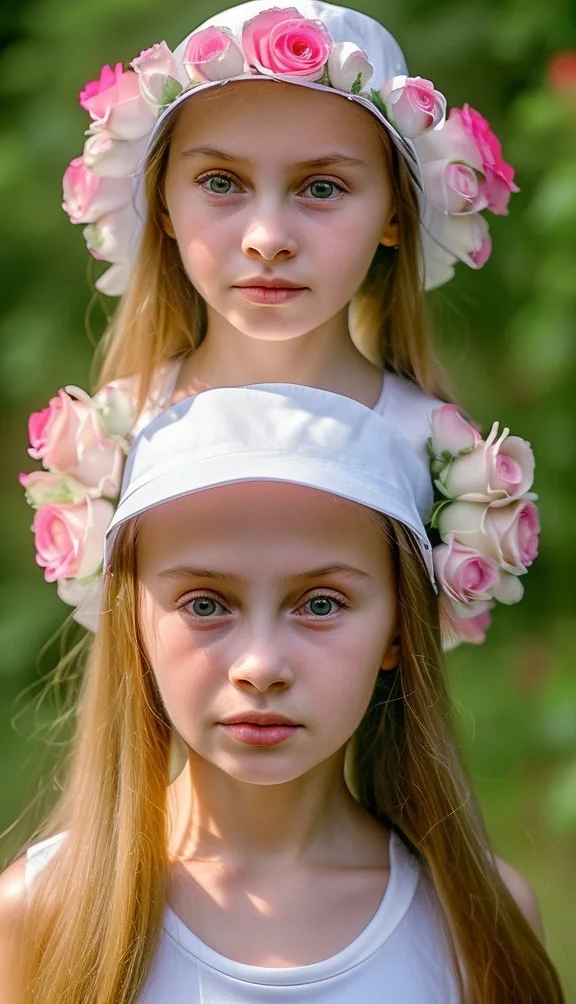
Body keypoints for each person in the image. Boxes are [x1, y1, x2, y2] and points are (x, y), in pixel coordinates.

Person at [0, 383, 564, 1002]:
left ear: (399, 628)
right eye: (206, 604)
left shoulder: (479, 920)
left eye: (321, 604)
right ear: (133, 624)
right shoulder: (43, 912)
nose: (261, 665)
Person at [30, 0, 520, 636]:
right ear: (165, 203)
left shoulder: (440, 459)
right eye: (221, 181)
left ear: (396, 214)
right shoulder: (116, 445)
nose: (267, 237)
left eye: (322, 187)